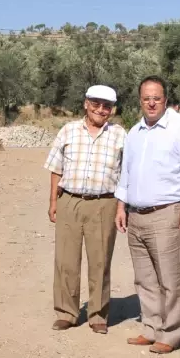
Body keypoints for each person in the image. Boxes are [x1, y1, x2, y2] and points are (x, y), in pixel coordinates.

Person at [114, 76, 180, 354]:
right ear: (140, 101)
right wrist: (121, 206)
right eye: (146, 98)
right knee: (144, 278)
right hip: (136, 215)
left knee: (168, 278)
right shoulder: (134, 133)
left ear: (165, 100)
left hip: (167, 214)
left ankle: (172, 333)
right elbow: (126, 173)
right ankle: (151, 328)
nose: (151, 103)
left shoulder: (179, 130)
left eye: (157, 98)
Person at [44, 84, 127, 334]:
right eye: (96, 104)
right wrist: (53, 202)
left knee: (100, 261)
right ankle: (66, 313)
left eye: (106, 106)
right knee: (66, 260)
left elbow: (127, 175)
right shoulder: (68, 131)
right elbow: (56, 168)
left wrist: (122, 207)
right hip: (70, 200)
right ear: (86, 104)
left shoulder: (120, 135)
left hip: (104, 203)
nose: (100, 110)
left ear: (112, 110)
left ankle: (98, 315)